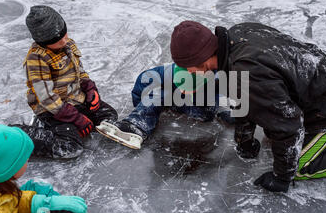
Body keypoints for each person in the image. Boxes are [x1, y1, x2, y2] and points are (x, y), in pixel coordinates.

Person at [169, 21, 326, 193]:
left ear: (200, 60)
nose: (189, 75)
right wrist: (244, 139)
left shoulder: (246, 73)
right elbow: (246, 97)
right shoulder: (239, 34)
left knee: (300, 164)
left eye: (188, 69)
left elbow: (288, 126)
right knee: (271, 125)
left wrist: (282, 177)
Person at [13, 5, 118, 159]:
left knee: (109, 116)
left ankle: (71, 123)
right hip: (53, 109)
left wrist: (89, 88)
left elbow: (79, 71)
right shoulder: (37, 59)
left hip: (75, 98)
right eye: (57, 40)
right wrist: (76, 118)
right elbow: (46, 97)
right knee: (70, 148)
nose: (64, 40)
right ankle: (25, 134)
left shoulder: (67, 44)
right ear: (43, 41)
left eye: (64, 34)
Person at [97, 63, 233, 149]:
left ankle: (137, 125)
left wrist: (228, 113)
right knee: (159, 93)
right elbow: (141, 83)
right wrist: (139, 106)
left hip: (203, 109)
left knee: (159, 94)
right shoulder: (167, 72)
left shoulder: (214, 79)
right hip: (194, 105)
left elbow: (229, 95)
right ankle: (136, 125)